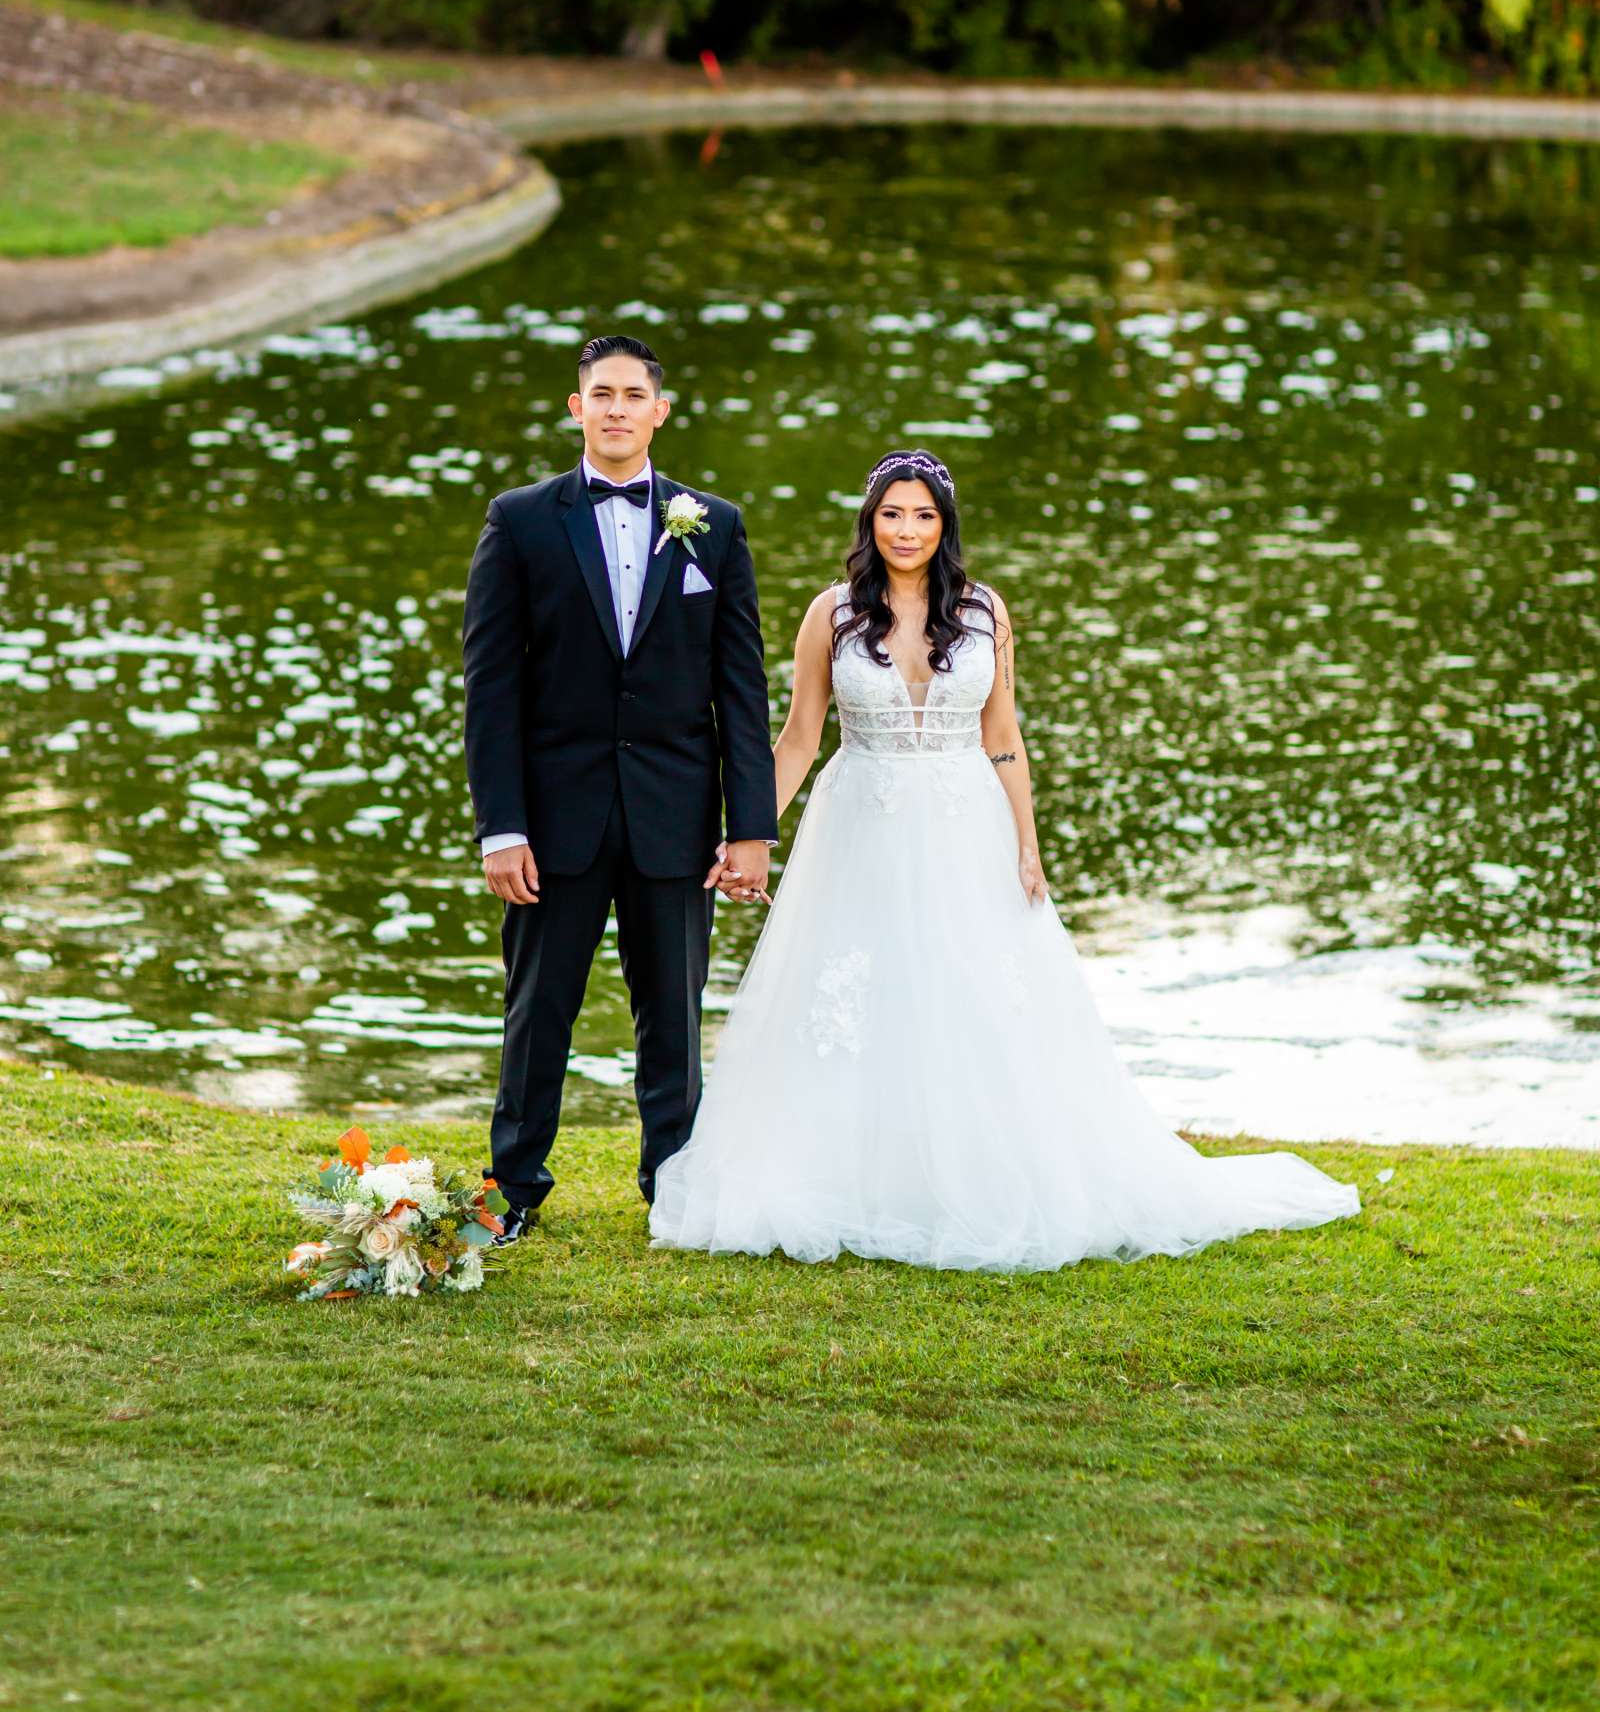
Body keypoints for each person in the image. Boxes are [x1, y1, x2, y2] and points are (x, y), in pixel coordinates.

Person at [649, 448, 1362, 1272]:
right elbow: (801, 737)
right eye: (891, 514)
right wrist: (748, 836)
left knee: (976, 993)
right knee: (854, 993)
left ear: (945, 524)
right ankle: (859, 1178)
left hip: (964, 824)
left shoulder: (985, 611)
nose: (906, 530)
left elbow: (1003, 738)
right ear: (869, 522)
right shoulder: (832, 613)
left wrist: (1027, 845)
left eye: (922, 515)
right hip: (861, 823)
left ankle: (980, 1171)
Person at [461, 333, 778, 1244]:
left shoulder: (712, 523)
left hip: (675, 817)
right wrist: (501, 827)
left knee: (672, 1020)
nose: (616, 408)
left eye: (633, 394)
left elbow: (739, 686)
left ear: (659, 411)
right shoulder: (519, 520)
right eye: (600, 393)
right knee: (538, 1011)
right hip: (552, 822)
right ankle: (512, 1189)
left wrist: (748, 824)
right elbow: (493, 686)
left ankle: (672, 1190)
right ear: (576, 409)